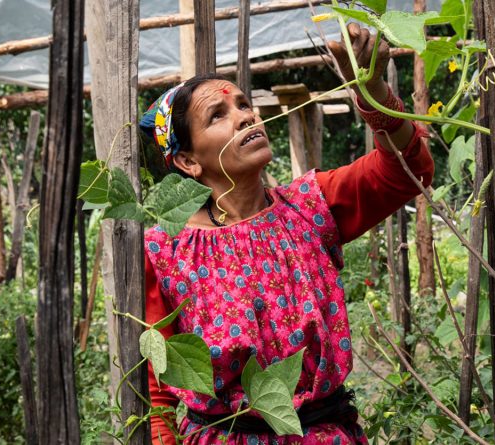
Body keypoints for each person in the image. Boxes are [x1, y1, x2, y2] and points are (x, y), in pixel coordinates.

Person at [139, 24, 433, 445]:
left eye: (244, 105)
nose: (245, 115)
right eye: (218, 115)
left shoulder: (310, 207)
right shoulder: (166, 251)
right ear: (187, 161)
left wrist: (373, 92)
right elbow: (159, 388)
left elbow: (407, 173)